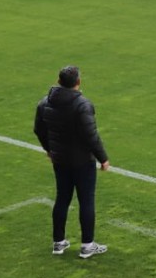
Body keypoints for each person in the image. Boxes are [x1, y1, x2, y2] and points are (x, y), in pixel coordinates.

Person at [33, 65, 110, 259]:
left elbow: (39, 129)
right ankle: (87, 245)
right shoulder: (82, 105)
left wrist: (49, 149)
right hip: (82, 160)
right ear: (78, 82)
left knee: (62, 198)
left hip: (60, 160)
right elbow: (91, 136)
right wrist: (103, 158)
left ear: (58, 81)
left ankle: (58, 243)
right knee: (86, 200)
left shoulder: (45, 103)